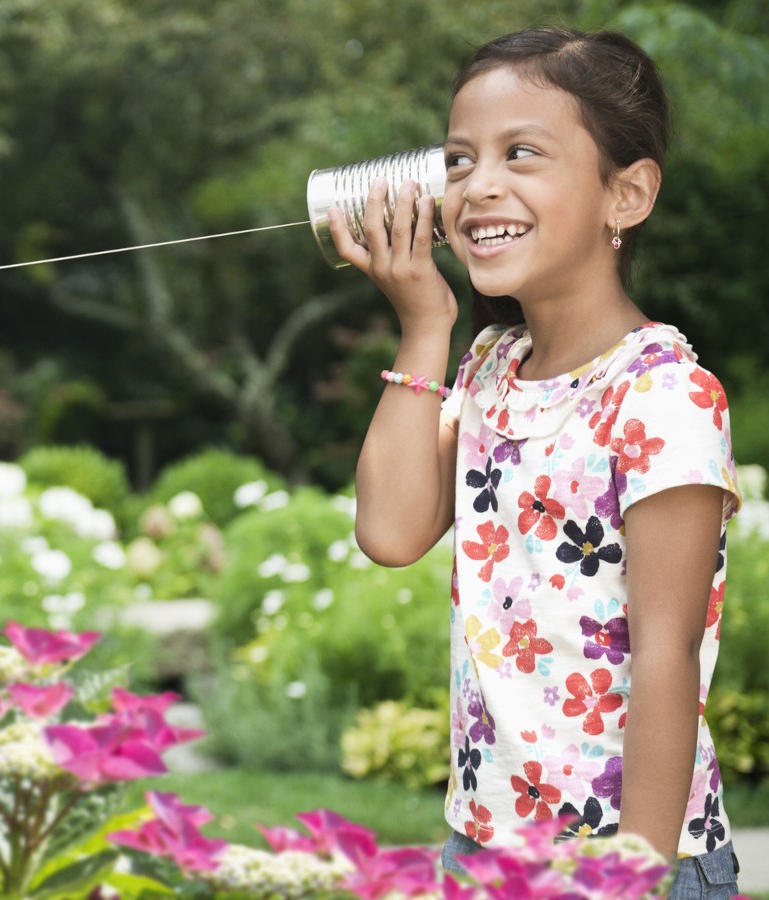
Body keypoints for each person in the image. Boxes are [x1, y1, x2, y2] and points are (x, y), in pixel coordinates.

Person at [328, 27, 741, 899]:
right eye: (458, 160)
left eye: (523, 153)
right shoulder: (487, 369)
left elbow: (664, 657)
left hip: (628, 860)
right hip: (480, 847)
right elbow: (392, 530)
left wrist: (633, 873)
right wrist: (424, 326)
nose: (479, 186)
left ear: (625, 195)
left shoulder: (663, 396)